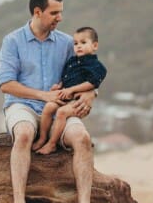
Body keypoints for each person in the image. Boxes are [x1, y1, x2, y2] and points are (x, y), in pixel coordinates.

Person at [0, 0, 99, 203]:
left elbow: (90, 73)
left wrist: (90, 94)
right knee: (22, 134)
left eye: (61, 12)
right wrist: (43, 95)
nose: (60, 18)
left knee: (82, 138)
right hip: (22, 105)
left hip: (59, 109)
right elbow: (5, 84)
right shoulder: (12, 41)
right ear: (37, 12)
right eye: (54, 13)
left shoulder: (66, 43)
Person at [32, 26, 107, 155]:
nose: (78, 46)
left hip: (77, 101)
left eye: (83, 43)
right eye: (76, 43)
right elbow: (67, 78)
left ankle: (52, 144)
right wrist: (59, 86)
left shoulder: (97, 66)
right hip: (66, 96)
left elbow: (92, 83)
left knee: (61, 113)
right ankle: (43, 138)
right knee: (49, 107)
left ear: (94, 46)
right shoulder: (72, 61)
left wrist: (72, 89)